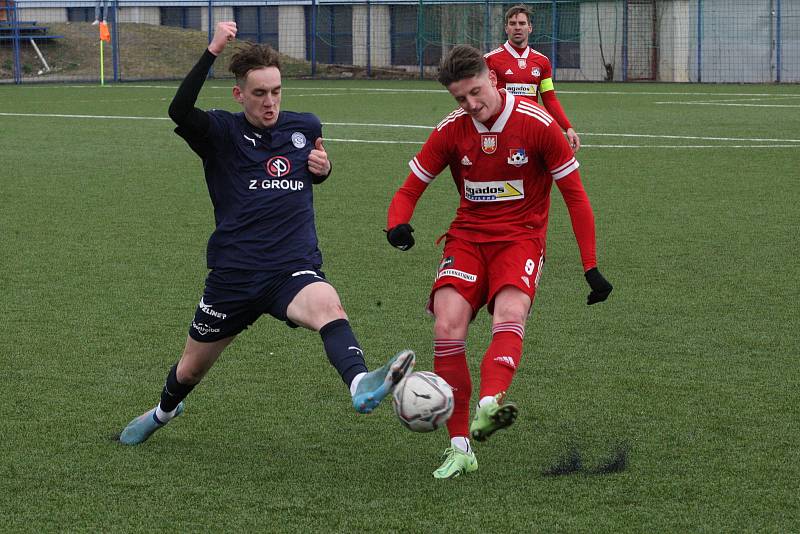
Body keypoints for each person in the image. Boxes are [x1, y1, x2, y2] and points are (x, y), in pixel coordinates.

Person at [118, 21, 415, 446]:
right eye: (259, 93)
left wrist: (325, 170)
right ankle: (163, 412)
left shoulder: (305, 128)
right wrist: (213, 49)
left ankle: (360, 384)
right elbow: (179, 111)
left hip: (289, 268)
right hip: (233, 276)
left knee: (328, 305)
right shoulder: (220, 133)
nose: (270, 101)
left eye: (276, 91)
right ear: (239, 94)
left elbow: (308, 174)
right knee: (191, 370)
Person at [385, 45, 612, 478]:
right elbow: (409, 188)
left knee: (510, 312)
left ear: (492, 76)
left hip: (521, 239)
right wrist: (397, 223)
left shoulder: (538, 124)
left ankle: (489, 403)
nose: (471, 105)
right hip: (468, 238)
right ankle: (459, 447)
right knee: (446, 325)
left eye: (475, 92)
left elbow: (576, 197)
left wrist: (591, 265)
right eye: (460, 99)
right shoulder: (452, 130)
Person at [484, 4, 581, 152]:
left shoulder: (542, 61)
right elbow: (481, 98)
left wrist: (568, 127)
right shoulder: (490, 60)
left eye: (522, 23)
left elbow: (549, 98)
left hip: (531, 129)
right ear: (506, 28)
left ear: (530, 28)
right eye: (513, 23)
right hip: (500, 129)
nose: (517, 27)